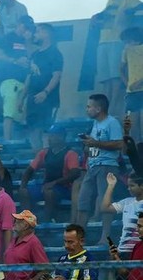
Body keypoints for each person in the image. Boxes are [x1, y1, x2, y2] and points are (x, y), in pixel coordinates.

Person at [91, 0, 143, 117]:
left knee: (115, 77)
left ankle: (113, 109)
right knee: (106, 79)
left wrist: (131, 12)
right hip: (103, 41)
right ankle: (105, 108)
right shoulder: (110, 1)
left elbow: (141, 6)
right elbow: (104, 13)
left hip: (116, 40)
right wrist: (97, 16)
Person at [77, 94, 123, 245]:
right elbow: (94, 145)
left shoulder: (112, 122)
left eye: (89, 106)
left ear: (99, 108)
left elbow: (119, 144)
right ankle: (79, 238)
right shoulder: (95, 124)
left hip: (107, 166)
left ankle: (105, 237)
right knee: (83, 202)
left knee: (105, 202)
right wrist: (88, 147)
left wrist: (96, 143)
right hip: (92, 166)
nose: (87, 109)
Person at [19, 126, 81, 222]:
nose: (49, 138)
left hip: (64, 188)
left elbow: (75, 174)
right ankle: (27, 222)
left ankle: (47, 222)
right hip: (46, 185)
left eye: (52, 135)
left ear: (61, 137)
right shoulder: (44, 152)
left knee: (49, 192)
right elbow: (30, 170)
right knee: (24, 191)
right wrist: (23, 184)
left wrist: (55, 183)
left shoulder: (71, 153)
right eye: (49, 135)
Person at [21, 23, 63, 150]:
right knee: (33, 131)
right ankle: (38, 162)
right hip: (32, 99)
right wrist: (21, 98)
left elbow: (56, 76)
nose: (35, 34)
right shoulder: (35, 55)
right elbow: (29, 77)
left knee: (45, 132)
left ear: (46, 34)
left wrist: (45, 92)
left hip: (48, 99)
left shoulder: (55, 53)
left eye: (38, 32)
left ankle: (46, 162)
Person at [0, 15, 35, 140]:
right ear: (19, 24)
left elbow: (31, 57)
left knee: (21, 113)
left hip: (24, 80)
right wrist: (15, 60)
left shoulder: (28, 40)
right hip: (9, 79)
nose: (26, 30)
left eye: (29, 28)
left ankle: (18, 140)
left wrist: (28, 41)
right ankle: (8, 140)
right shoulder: (9, 38)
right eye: (25, 26)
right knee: (10, 111)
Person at [102, 172, 143, 255]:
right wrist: (111, 185)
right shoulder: (127, 202)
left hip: (139, 251)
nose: (128, 188)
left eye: (132, 186)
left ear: (142, 186)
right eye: (128, 186)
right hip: (123, 250)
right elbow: (105, 208)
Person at [3, 210, 49, 280]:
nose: (14, 223)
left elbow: (44, 270)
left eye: (18, 221)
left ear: (26, 226)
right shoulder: (14, 240)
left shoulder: (33, 242)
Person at [120, 27, 143, 142]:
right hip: (132, 92)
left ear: (136, 39)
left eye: (128, 41)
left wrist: (139, 82)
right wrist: (127, 84)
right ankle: (137, 149)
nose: (126, 44)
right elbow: (121, 70)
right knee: (133, 125)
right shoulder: (126, 52)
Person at [109, 211, 143, 279]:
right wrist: (116, 257)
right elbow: (127, 272)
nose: (137, 229)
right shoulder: (137, 246)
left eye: (140, 226)